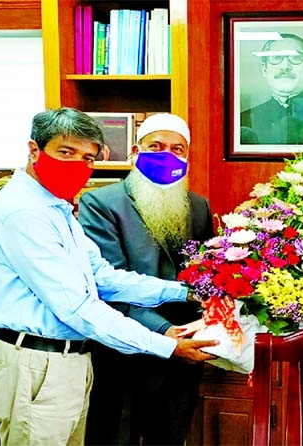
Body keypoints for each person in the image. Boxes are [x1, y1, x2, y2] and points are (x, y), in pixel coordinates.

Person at [0, 107, 217, 446]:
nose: (79, 165)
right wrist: (166, 344)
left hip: (68, 362)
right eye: (66, 152)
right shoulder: (22, 213)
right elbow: (77, 307)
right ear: (34, 150)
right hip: (37, 364)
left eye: (88, 158)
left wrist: (184, 292)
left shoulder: (56, 208)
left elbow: (103, 276)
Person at [77, 113, 214, 445]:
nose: (167, 155)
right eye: (157, 146)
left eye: (177, 149)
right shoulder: (101, 203)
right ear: (136, 152)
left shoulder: (198, 206)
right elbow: (107, 284)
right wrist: (166, 332)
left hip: (184, 356)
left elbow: (206, 277)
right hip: (125, 355)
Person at [240, 33, 303, 145]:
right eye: (276, 57)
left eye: (295, 57)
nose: (285, 66)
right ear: (264, 69)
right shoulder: (243, 120)